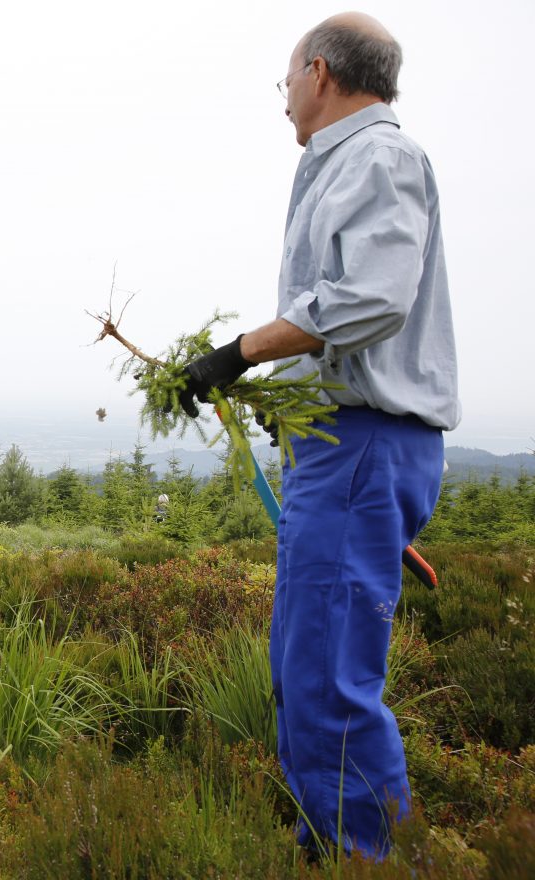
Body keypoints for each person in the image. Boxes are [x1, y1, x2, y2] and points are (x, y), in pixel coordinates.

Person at [175, 13, 458, 859]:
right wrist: (283, 392)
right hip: (343, 448)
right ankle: (325, 843)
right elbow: (343, 322)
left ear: (320, 71)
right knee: (307, 667)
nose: (284, 98)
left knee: (331, 676)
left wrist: (240, 351)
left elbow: (372, 298)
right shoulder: (340, 164)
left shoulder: (380, 158)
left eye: (286, 80)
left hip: (365, 448)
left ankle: (363, 858)